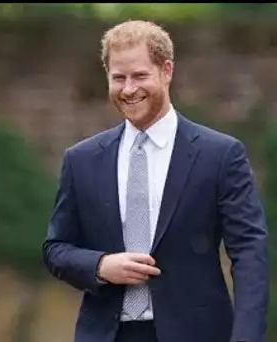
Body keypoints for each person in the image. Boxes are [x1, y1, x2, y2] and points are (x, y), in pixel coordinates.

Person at [42, 20, 269, 342]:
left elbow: (249, 251)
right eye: (118, 78)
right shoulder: (81, 159)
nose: (128, 89)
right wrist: (99, 264)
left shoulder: (220, 154)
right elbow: (56, 248)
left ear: (166, 71)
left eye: (139, 76)